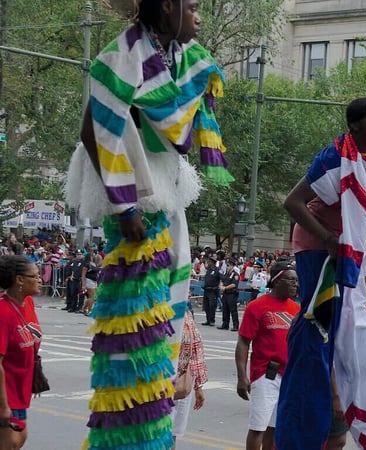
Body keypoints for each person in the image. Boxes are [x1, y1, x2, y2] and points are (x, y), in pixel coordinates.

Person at [74, 1, 233, 448]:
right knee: (135, 323)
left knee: (165, 317)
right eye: (194, 7)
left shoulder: (183, 57)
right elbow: (95, 129)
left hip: (166, 195)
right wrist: (124, 208)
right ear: (168, 5)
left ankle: (155, 433)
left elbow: (182, 125)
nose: (200, 17)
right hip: (135, 197)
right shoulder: (122, 55)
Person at [277, 97, 366, 449]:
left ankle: (347, 407)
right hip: (319, 247)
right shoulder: (334, 157)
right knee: (318, 327)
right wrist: (328, 238)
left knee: (343, 330)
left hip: (346, 249)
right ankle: (310, 416)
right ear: (354, 126)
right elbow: (292, 202)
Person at [235, 262, 299, 450]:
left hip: (288, 377)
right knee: (258, 428)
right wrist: (241, 376)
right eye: (291, 280)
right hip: (266, 374)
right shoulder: (257, 306)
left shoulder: (296, 309)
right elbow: (243, 342)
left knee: (275, 428)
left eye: (296, 281)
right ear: (277, 281)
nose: (295, 284)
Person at [0, 256, 41, 449]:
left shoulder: (28, 303)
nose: (40, 279)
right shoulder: (3, 311)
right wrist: (2, 406)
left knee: (16, 442)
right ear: (20, 280)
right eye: (35, 276)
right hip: (6, 396)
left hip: (20, 392)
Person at [172, 309, 207, 449]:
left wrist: (198, 386)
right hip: (159, 382)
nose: (189, 293)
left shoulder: (186, 314)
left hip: (183, 382)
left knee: (172, 433)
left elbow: (196, 350)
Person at [219, 259, 241, 331]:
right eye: (227, 266)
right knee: (225, 309)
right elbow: (222, 280)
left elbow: (234, 284)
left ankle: (235, 325)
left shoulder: (235, 275)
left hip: (231, 294)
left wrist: (225, 288)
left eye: (228, 266)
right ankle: (225, 324)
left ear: (232, 266)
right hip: (225, 294)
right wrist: (221, 286)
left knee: (233, 310)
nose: (227, 267)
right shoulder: (226, 274)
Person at [201, 257, 221, 326]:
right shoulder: (208, 270)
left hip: (213, 291)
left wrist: (217, 287)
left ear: (212, 263)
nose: (207, 263)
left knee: (212, 306)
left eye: (208, 262)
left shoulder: (217, 270)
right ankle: (208, 320)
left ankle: (212, 320)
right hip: (206, 290)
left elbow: (221, 279)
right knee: (206, 306)